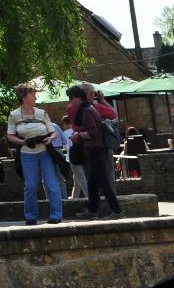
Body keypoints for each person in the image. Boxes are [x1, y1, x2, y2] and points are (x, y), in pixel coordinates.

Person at [7, 83, 63, 225]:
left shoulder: (41, 113)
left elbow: (53, 132)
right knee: (30, 185)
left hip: (45, 152)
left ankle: (56, 215)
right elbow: (10, 136)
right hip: (27, 153)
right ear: (24, 97)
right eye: (33, 94)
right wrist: (23, 142)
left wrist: (51, 138)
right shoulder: (14, 115)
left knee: (52, 184)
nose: (35, 97)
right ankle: (31, 216)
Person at [65, 84, 121, 219]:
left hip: (95, 150)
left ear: (78, 97)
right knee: (92, 182)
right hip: (94, 150)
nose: (70, 101)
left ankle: (117, 211)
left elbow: (93, 133)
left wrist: (77, 136)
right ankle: (93, 210)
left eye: (71, 98)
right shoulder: (90, 108)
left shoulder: (87, 111)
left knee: (103, 182)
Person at [60, 112, 89, 200]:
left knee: (80, 177)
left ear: (65, 124)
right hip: (82, 155)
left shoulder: (65, 133)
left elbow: (66, 146)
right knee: (77, 178)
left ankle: (89, 196)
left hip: (72, 157)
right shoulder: (77, 131)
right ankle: (74, 196)